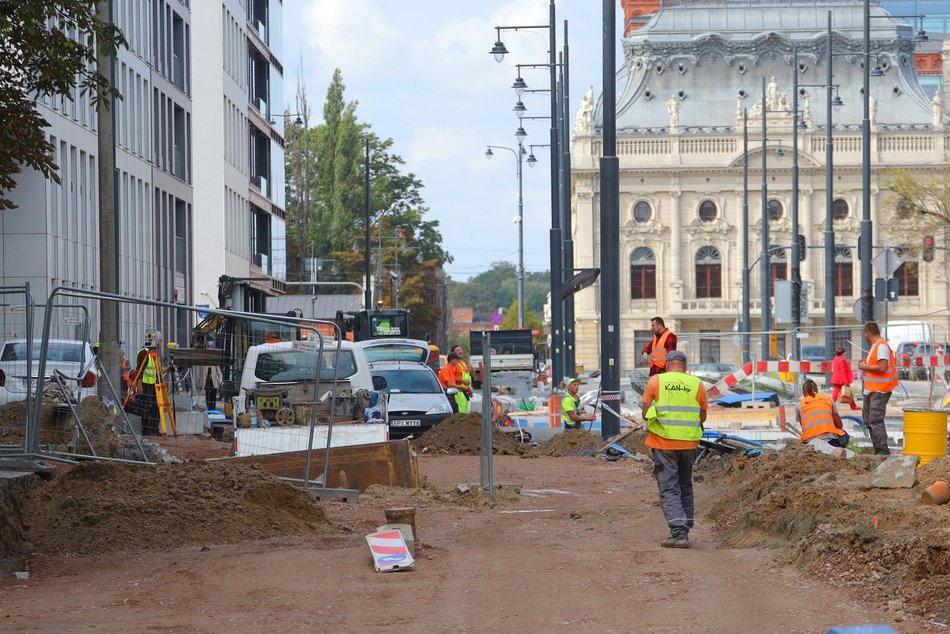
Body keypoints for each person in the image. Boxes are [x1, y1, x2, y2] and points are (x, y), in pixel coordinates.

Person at [640, 350, 707, 549]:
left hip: (664, 443)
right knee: (685, 484)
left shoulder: (656, 381)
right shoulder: (697, 384)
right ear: (685, 366)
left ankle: (678, 533)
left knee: (669, 487)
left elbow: (645, 414)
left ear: (668, 364)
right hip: (689, 443)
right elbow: (702, 416)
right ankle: (685, 524)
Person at [857, 321, 897, 455]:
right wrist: (867, 364)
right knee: (868, 420)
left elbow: (882, 367)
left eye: (865, 334)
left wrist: (864, 366)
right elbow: (876, 364)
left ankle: (882, 451)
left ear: (868, 333)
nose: (865, 337)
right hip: (872, 390)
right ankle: (878, 450)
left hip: (880, 390)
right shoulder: (875, 346)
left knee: (875, 420)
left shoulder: (881, 346)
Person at [797, 379, 850, 448]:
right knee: (843, 434)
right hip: (830, 440)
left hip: (808, 441)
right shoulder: (828, 399)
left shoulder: (799, 405)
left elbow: (804, 425)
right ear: (817, 390)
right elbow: (839, 425)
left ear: (803, 392)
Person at [134, 330, 161, 436]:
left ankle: (154, 429)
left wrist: (168, 368)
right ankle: (146, 431)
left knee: (156, 407)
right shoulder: (144, 353)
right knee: (146, 408)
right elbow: (139, 370)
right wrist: (139, 386)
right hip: (146, 385)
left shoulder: (154, 354)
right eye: (160, 340)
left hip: (154, 385)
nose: (161, 343)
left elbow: (158, 370)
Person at [830, 347, 859, 411]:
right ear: (842, 353)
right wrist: (846, 381)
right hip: (842, 379)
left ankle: (830, 405)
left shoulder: (835, 359)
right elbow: (843, 371)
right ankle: (853, 406)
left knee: (835, 393)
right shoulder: (842, 360)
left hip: (835, 378)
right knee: (849, 392)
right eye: (844, 353)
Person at [451, 345, 473, 414]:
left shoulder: (463, 363)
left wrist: (472, 370)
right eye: (457, 350)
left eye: (461, 349)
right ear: (453, 353)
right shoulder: (454, 364)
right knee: (460, 414)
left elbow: (471, 375)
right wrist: (463, 381)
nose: (460, 351)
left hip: (466, 393)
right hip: (459, 393)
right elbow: (451, 377)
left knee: (466, 413)